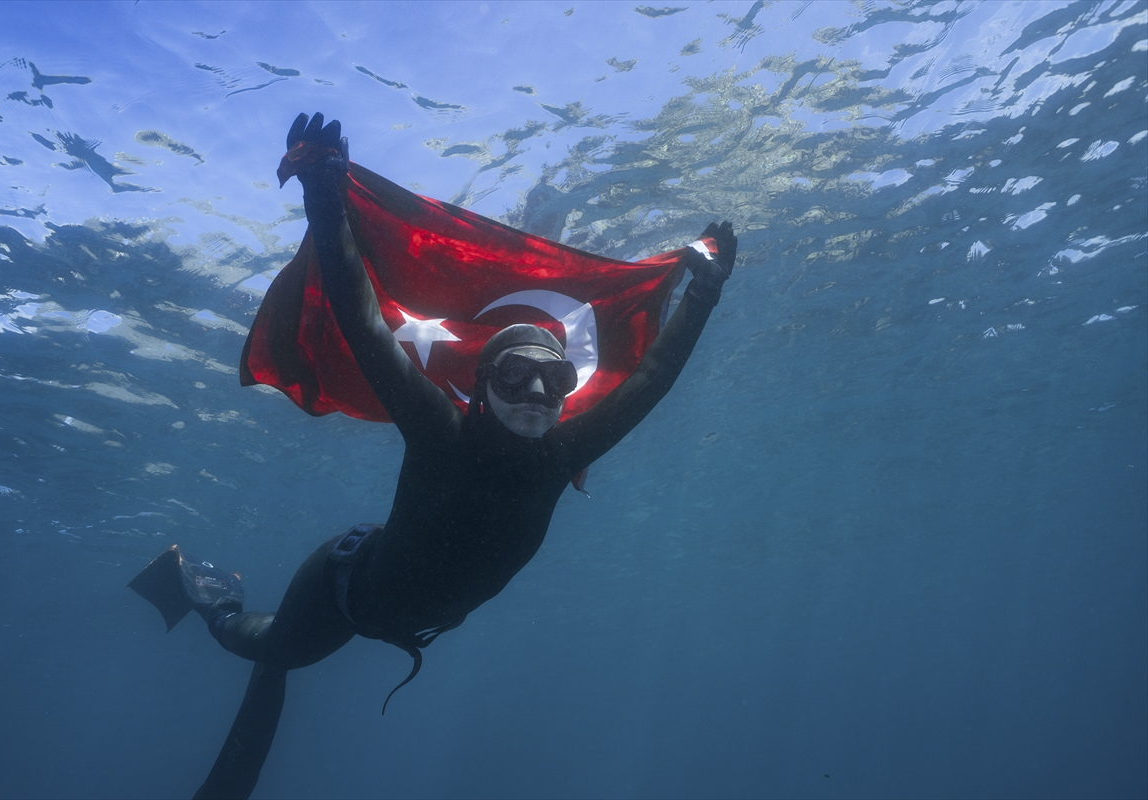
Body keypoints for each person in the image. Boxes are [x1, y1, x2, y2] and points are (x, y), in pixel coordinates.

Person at [129, 112, 738, 800]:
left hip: (396, 606)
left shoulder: (566, 448)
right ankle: (210, 596)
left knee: (282, 657)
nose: (538, 394)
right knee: (271, 648)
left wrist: (704, 293)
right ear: (482, 385)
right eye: (516, 377)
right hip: (340, 591)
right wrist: (324, 196)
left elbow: (653, 377)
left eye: (557, 379)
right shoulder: (440, 432)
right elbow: (364, 325)